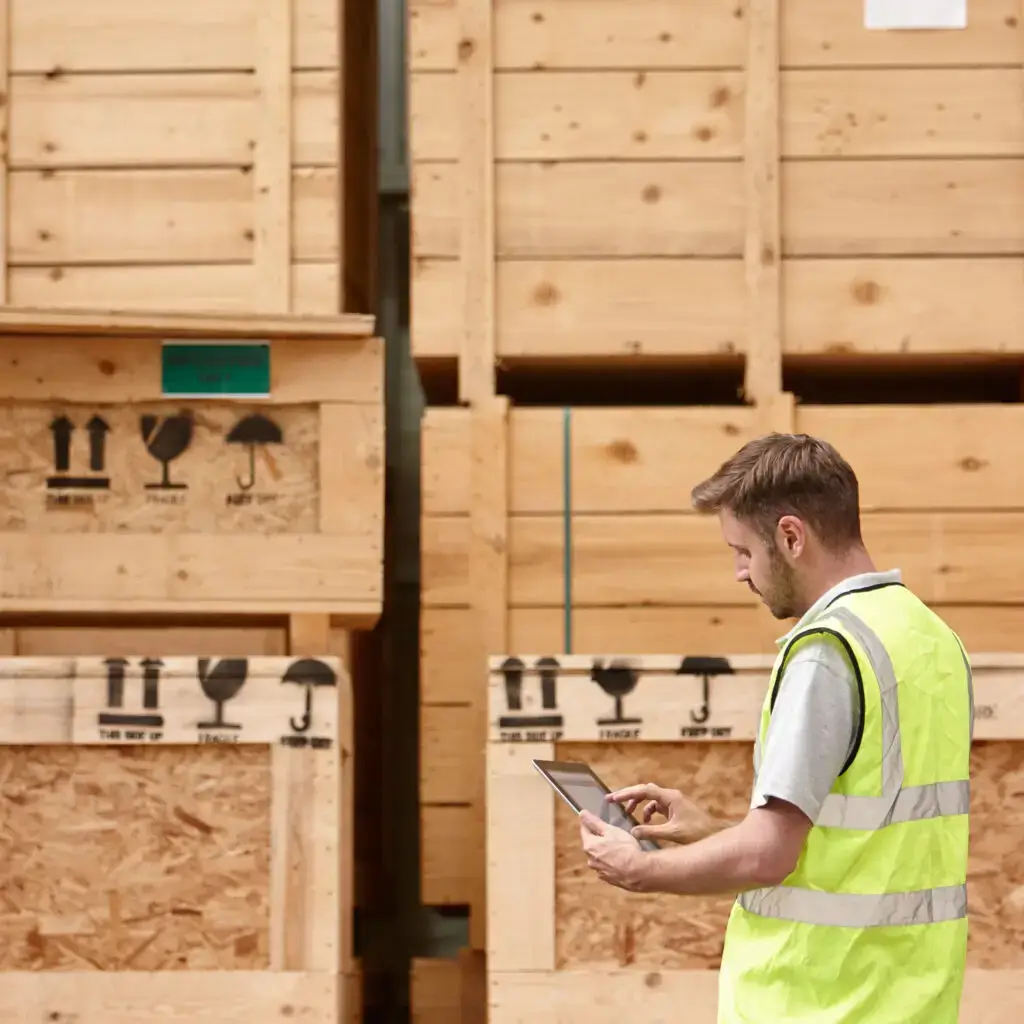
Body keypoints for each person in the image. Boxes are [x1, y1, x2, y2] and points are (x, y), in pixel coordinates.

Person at [577, 432, 974, 1024]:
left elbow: (769, 857)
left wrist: (644, 869)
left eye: (742, 550)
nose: (739, 572)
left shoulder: (828, 653)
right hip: (908, 1002)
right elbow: (867, 838)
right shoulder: (931, 638)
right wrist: (710, 831)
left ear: (790, 537)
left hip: (816, 1001)